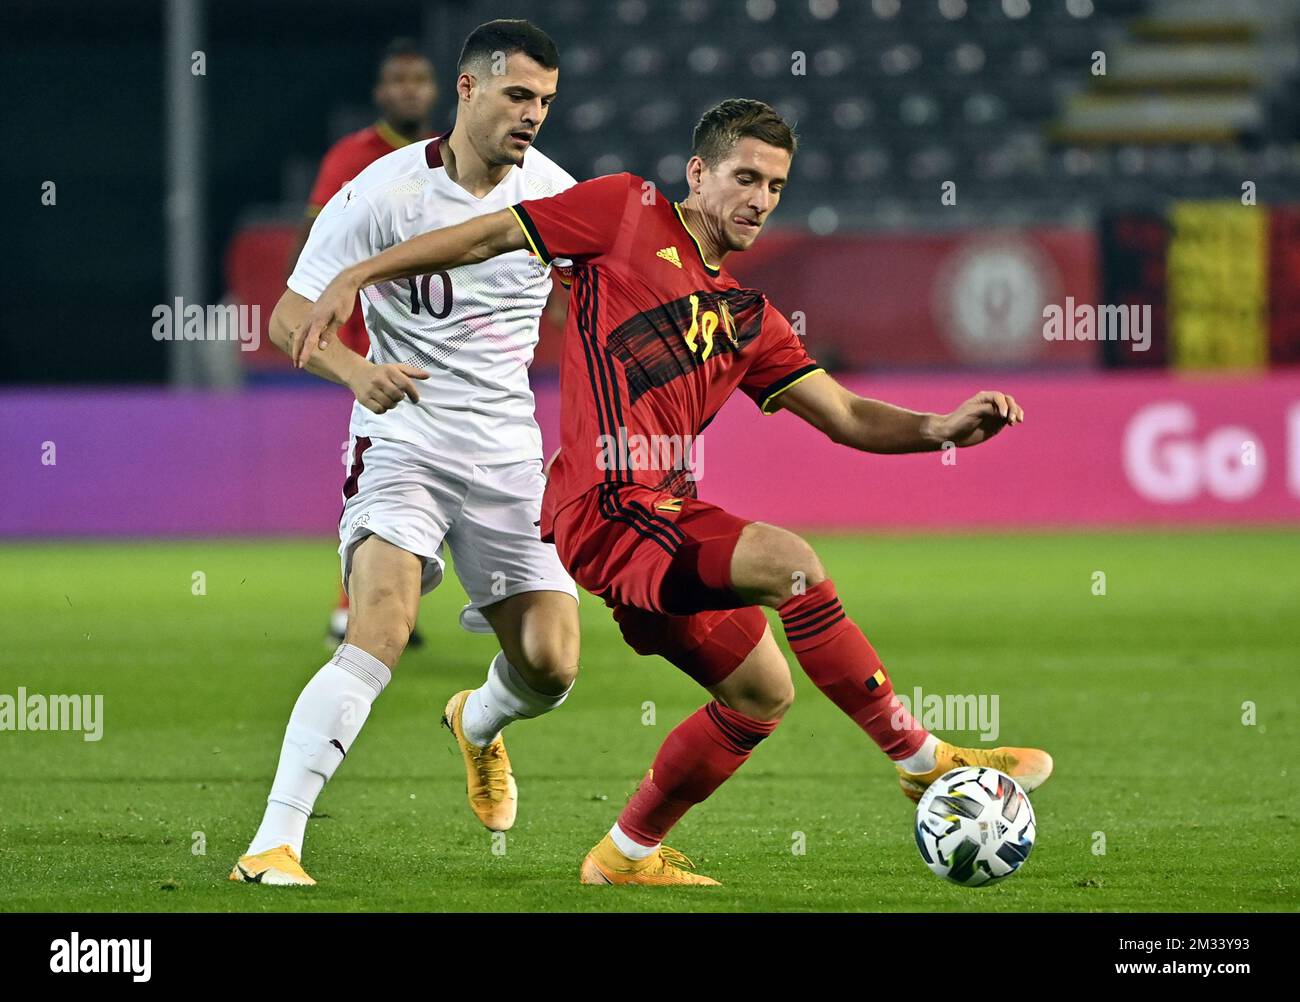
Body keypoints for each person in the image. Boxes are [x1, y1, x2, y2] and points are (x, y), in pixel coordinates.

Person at [293, 98, 1053, 888]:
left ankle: (623, 856)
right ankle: (921, 758)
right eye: (745, 178)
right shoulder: (625, 210)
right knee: (790, 562)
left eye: (776, 187)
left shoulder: (749, 319)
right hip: (607, 507)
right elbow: (490, 232)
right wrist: (360, 271)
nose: (759, 199)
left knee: (760, 695)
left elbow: (848, 415)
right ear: (698, 173)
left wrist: (940, 428)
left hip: (665, 520)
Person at [231, 19, 580, 887]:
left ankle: (478, 723)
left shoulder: (557, 194)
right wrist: (357, 372)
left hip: (507, 454)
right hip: (404, 442)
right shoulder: (379, 191)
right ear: (466, 91)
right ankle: (274, 843)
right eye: (516, 96)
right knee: (380, 626)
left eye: (544, 100)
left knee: (552, 666)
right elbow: (287, 317)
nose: (532, 114)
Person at [288, 37, 438, 648]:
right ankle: (352, 607)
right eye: (398, 80)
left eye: (418, 80)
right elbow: (313, 241)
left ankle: (390, 605)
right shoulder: (351, 155)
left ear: (439, 90)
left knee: (413, 472)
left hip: (431, 337)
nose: (409, 90)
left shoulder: (447, 157)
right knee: (375, 471)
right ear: (380, 92)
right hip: (361, 341)